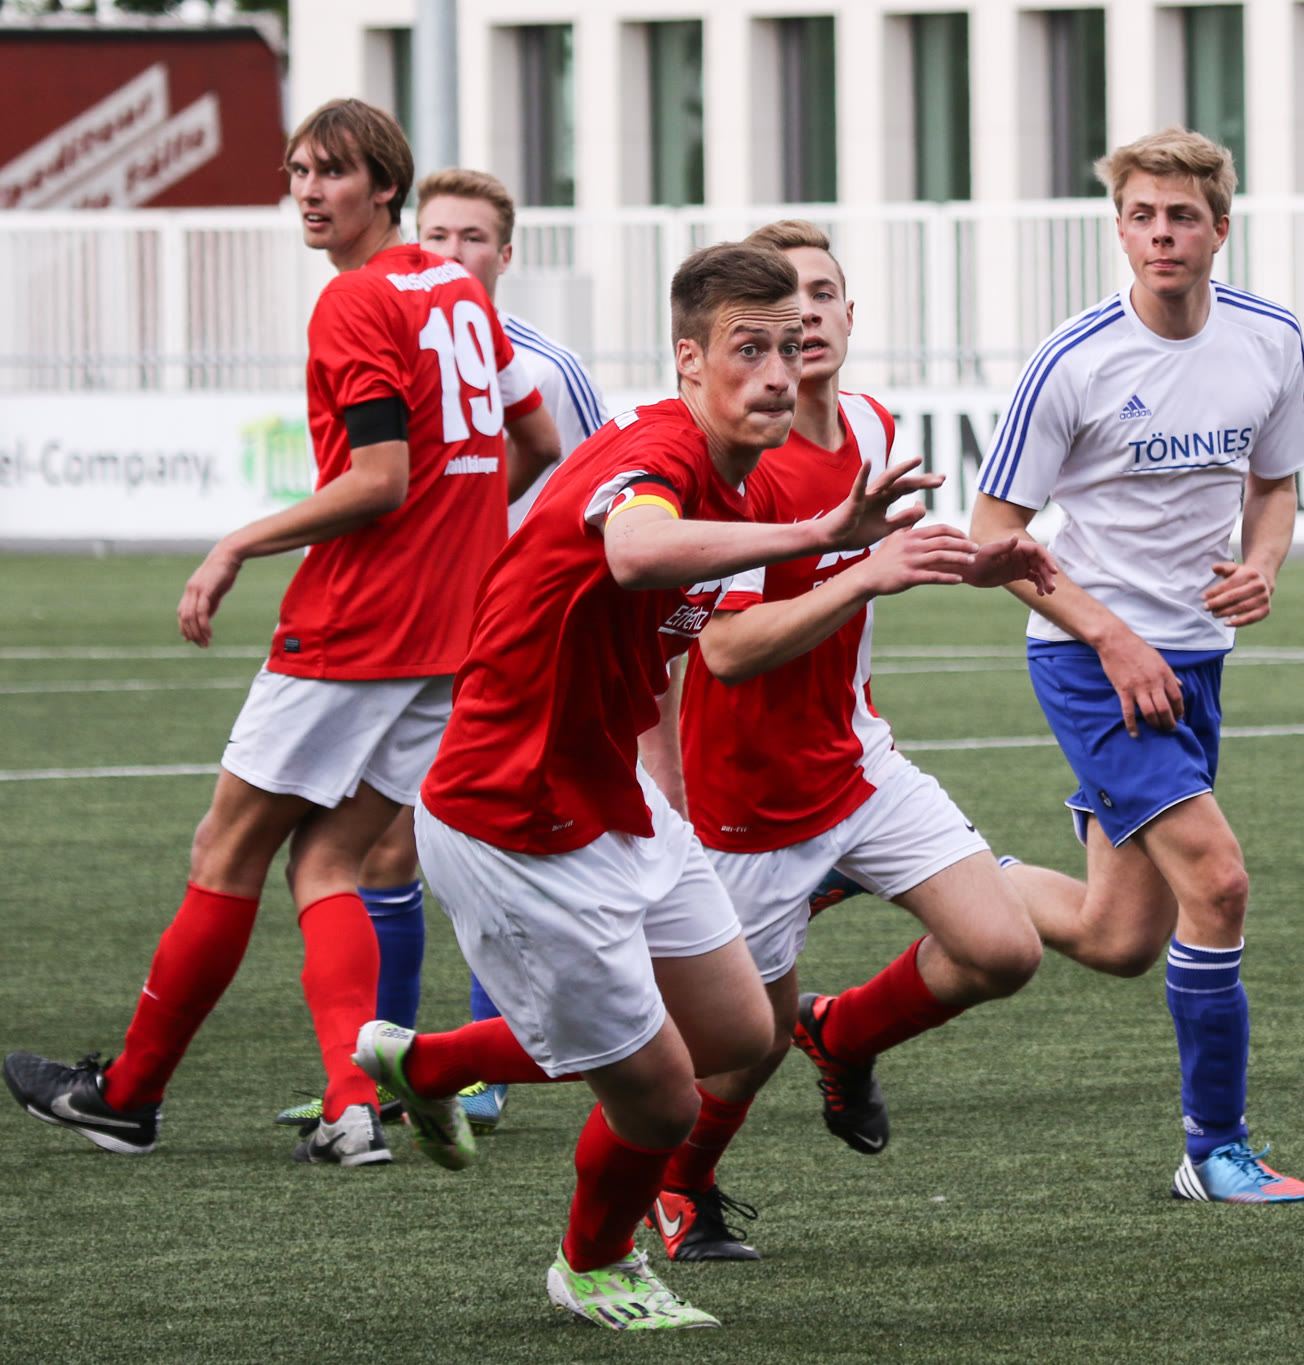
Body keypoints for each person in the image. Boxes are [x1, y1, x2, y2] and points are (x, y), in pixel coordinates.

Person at [350, 241, 939, 1330]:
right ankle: (593, 1263)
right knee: (662, 1096)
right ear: (688, 359)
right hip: (510, 815)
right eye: (748, 349)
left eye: (790, 348)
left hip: (614, 799)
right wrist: (821, 535)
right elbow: (633, 551)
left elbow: (665, 644)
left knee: (739, 1035)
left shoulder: (737, 471)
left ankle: (425, 1064)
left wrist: (663, 790)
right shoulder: (659, 452)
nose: (777, 372)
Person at [1, 99, 557, 1167]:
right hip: (454, 636)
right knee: (330, 860)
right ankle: (352, 1109)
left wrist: (236, 544)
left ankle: (128, 1095)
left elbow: (379, 481)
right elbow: (533, 439)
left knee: (226, 849)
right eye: (298, 171)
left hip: (359, 628)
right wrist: (460, 537)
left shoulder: (354, 299)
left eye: (332, 172)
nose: (309, 191)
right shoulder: (458, 290)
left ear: (384, 187)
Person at [642, 220, 1053, 1261]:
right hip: (748, 803)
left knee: (1004, 948)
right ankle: (680, 1186)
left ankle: (845, 1032)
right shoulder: (739, 466)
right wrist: (864, 573)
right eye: (781, 313)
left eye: (820, 297)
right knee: (741, 1046)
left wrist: (977, 563)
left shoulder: (870, 423)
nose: (806, 323)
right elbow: (725, 651)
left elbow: (886, 557)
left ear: (847, 313)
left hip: (858, 761)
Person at [968, 129, 1304, 1204]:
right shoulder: (1072, 360)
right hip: (1091, 662)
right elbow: (993, 537)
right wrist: (1111, 635)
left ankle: (916, 867)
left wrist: (1262, 565)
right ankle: (1215, 1148)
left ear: (1220, 228)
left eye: (1181, 217)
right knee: (1219, 880)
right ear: (1119, 229)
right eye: (1141, 216)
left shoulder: (1269, 340)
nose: (1161, 234)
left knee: (1117, 934)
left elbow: (1274, 486)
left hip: (1195, 660)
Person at [273, 167, 607, 1138]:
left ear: (506, 254)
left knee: (484, 844)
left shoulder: (546, 366)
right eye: (439, 235)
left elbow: (605, 493)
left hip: (522, 633)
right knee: (386, 847)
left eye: (474, 238)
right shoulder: (398, 335)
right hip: (430, 631)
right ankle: (383, 1068)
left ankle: (480, 1068)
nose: (453, 252)